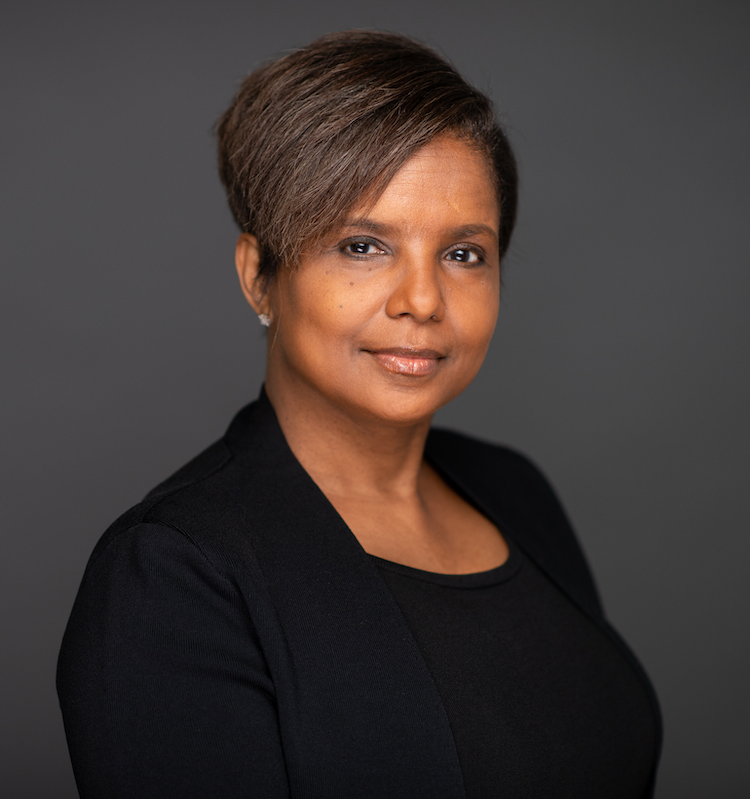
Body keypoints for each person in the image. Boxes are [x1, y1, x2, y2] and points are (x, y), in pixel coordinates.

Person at [57, 30, 661, 798]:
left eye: (464, 253)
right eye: (363, 245)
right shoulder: (174, 575)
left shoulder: (514, 493)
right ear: (259, 278)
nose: (422, 299)